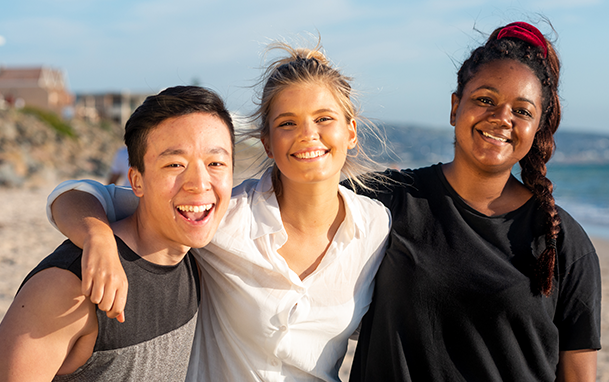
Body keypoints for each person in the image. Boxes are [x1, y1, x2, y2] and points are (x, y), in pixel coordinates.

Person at [43, 41, 391, 381]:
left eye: (324, 118)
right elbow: (76, 196)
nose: (307, 135)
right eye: (287, 123)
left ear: (351, 131)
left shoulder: (376, 227)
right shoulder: (218, 216)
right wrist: (98, 238)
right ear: (267, 143)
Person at [349, 22, 601, 381]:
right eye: (485, 100)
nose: (501, 118)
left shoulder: (564, 242)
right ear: (455, 107)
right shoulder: (385, 201)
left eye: (522, 111)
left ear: (538, 128)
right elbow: (287, 209)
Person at [0, 86, 235, 381]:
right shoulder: (69, 287)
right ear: (136, 181)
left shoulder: (198, 261)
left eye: (216, 163)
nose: (199, 183)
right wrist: (96, 235)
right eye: (175, 164)